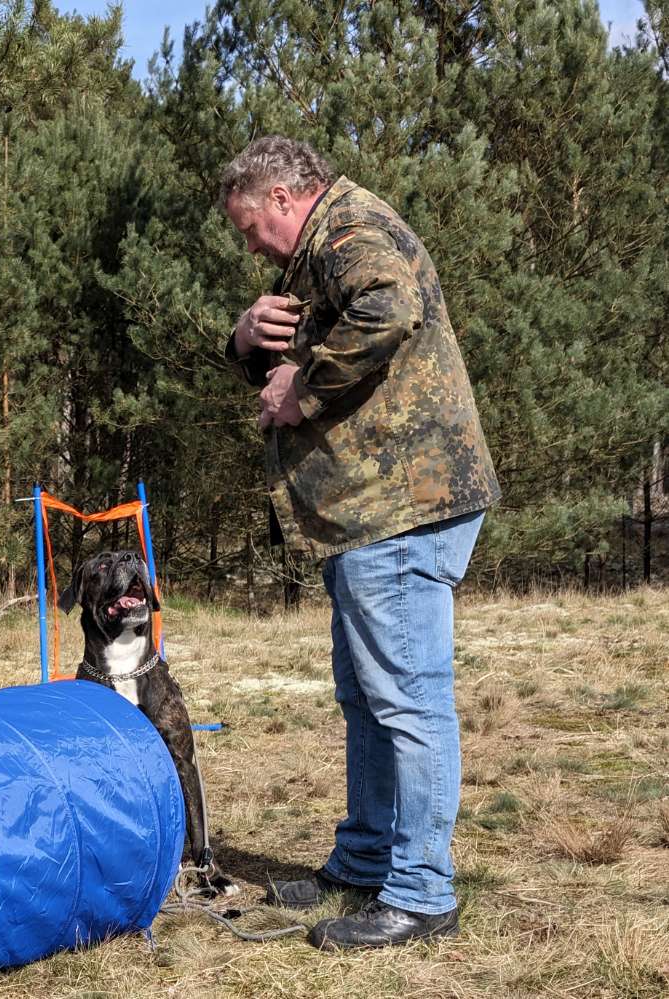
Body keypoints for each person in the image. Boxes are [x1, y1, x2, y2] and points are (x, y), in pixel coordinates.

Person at [220, 136, 501, 950]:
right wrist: (245, 341)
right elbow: (292, 349)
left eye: (248, 228)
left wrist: (302, 390)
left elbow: (388, 308)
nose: (248, 246)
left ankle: (419, 891)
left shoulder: (348, 235)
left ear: (280, 197)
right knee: (367, 697)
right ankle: (365, 862)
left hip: (401, 504)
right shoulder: (315, 251)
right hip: (366, 510)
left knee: (407, 701)